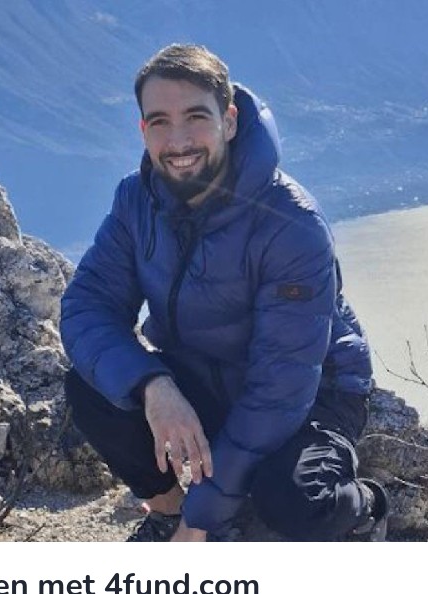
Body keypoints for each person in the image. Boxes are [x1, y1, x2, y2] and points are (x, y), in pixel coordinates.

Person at [60, 44, 386, 542]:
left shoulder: (290, 222)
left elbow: (282, 385)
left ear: (229, 121)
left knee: (293, 500)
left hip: (313, 392)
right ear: (143, 130)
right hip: (202, 372)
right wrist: (154, 386)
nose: (178, 141)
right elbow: (88, 306)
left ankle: (368, 510)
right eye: (160, 122)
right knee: (93, 387)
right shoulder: (137, 200)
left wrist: (204, 517)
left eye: (196, 117)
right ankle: (167, 512)